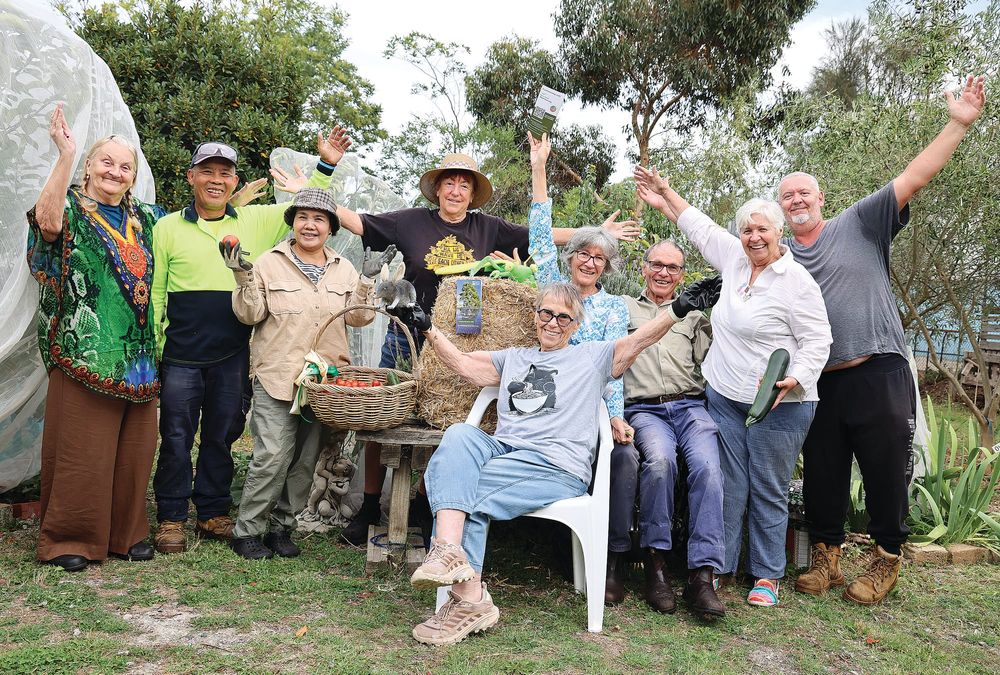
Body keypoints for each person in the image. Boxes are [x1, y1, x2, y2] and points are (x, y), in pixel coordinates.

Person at [333, 146, 641, 546]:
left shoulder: (488, 228)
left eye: (464, 185)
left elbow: (541, 237)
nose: (456, 191)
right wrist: (317, 192)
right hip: (408, 332)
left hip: (461, 337)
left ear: (473, 193)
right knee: (386, 416)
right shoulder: (409, 221)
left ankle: (427, 505)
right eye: (449, 183)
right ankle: (371, 506)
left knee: (447, 420)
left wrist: (594, 234)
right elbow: (359, 222)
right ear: (437, 189)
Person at [388, 278, 721, 646]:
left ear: (575, 325)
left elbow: (638, 340)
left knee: (461, 494)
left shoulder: (591, 357)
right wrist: (427, 327)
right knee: (458, 436)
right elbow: (464, 365)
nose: (553, 323)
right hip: (507, 454)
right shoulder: (514, 358)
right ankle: (451, 558)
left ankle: (468, 598)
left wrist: (679, 308)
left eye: (564, 318)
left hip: (555, 467)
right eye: (547, 313)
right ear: (535, 315)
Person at [782, 75, 986, 605]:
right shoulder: (779, 254)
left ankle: (886, 559)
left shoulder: (861, 221)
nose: (796, 199)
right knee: (823, 473)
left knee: (885, 472)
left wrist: (957, 124)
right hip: (819, 381)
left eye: (803, 192)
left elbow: (915, 175)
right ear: (781, 209)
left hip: (879, 368)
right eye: (786, 196)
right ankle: (826, 557)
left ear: (821, 198)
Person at [635, 169, 832, 608]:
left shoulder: (796, 281)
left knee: (768, 486)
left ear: (779, 232)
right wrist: (665, 193)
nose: (754, 237)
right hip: (725, 396)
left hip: (778, 401)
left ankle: (766, 573)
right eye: (747, 230)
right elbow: (699, 226)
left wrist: (796, 377)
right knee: (730, 484)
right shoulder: (735, 260)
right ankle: (719, 567)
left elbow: (819, 339)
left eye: (763, 229)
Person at [151, 128, 351, 554]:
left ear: (235, 182)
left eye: (225, 173)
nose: (216, 180)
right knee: (176, 437)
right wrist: (155, 348)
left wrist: (326, 164)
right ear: (191, 176)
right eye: (207, 171)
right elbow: (156, 292)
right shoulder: (166, 227)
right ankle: (171, 517)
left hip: (232, 354)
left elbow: (309, 209)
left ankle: (212, 511)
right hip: (181, 354)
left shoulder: (254, 221)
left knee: (222, 436)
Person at [220, 188, 391, 559]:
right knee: (271, 457)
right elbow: (249, 315)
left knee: (304, 463)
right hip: (278, 377)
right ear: (293, 223)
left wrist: (366, 281)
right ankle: (248, 531)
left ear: (331, 228)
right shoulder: (269, 263)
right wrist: (241, 275)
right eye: (303, 217)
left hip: (322, 383)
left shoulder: (343, 269)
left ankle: (282, 527)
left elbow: (359, 319)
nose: (310, 225)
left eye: (319, 219)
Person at [25, 105, 161, 571]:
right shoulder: (68, 207)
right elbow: (46, 224)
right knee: (83, 452)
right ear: (88, 166)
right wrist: (64, 155)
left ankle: (127, 534)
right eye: (106, 162)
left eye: (126, 167)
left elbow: (192, 232)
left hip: (139, 359)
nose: (115, 172)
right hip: (84, 351)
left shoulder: (147, 217)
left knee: (134, 454)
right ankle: (70, 539)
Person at [611, 239, 725, 618]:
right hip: (645, 409)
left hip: (691, 406)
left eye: (672, 267)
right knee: (660, 462)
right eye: (657, 264)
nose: (663, 272)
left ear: (681, 275)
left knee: (708, 468)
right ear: (643, 268)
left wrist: (723, 306)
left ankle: (702, 575)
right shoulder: (623, 308)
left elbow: (718, 357)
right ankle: (655, 564)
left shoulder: (693, 316)